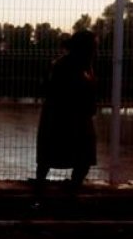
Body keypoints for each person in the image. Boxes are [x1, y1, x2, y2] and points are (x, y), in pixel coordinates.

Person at [34, 29, 99, 189]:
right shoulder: (70, 66)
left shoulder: (74, 64)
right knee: (81, 153)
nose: (96, 50)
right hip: (67, 117)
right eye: (93, 46)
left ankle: (46, 184)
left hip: (65, 117)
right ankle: (70, 186)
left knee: (54, 154)